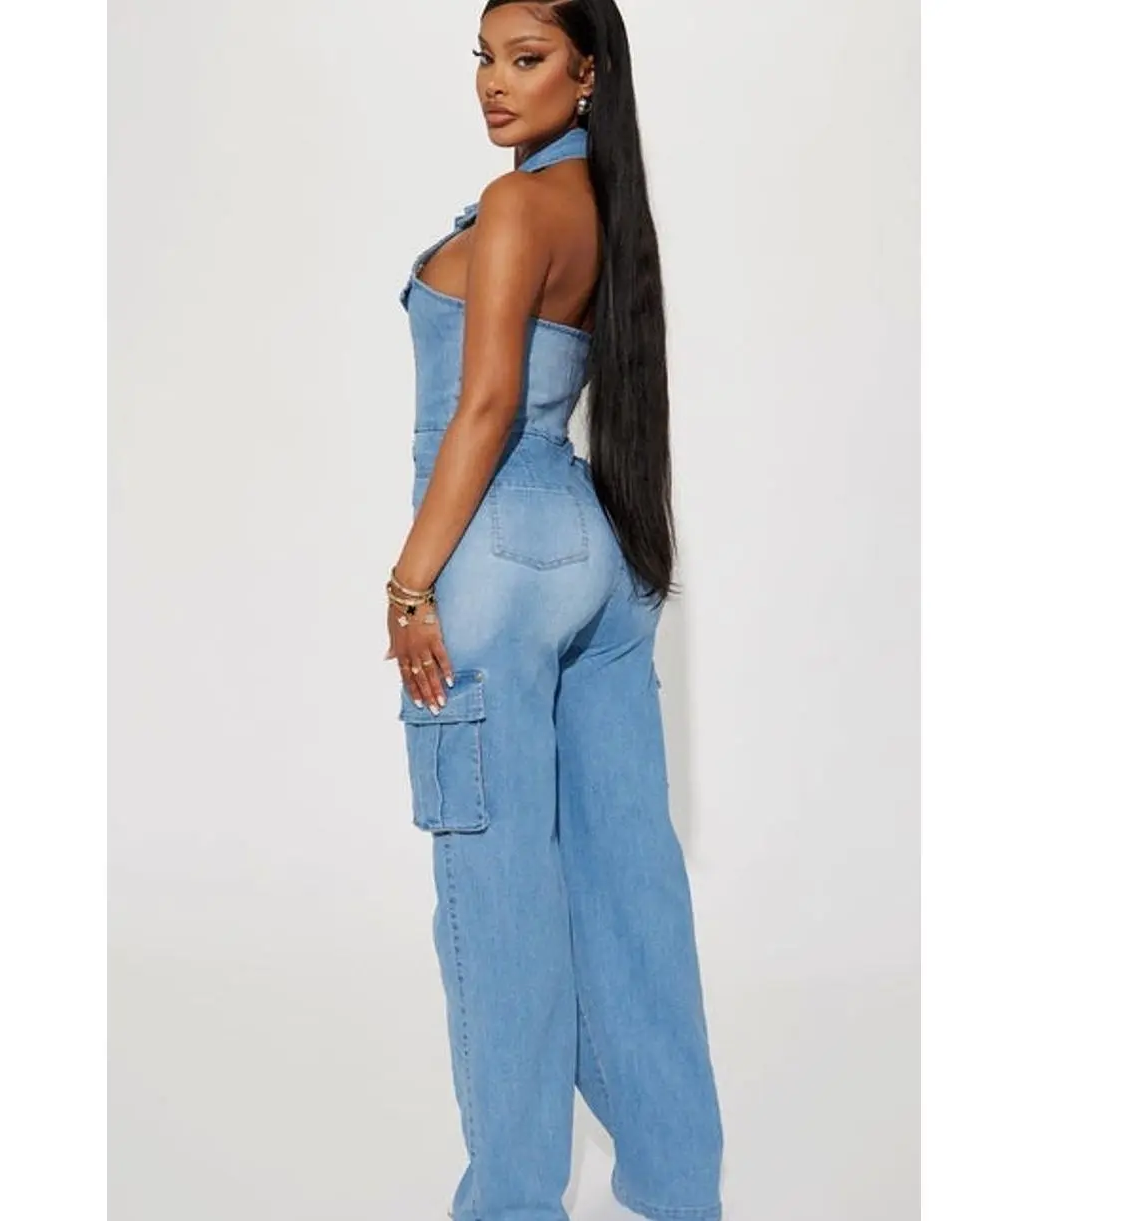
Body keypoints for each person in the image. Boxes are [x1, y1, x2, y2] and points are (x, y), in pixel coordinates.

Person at [385, 3, 724, 1219]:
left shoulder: (521, 202)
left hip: (494, 555)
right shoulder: (604, 203)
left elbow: (485, 409)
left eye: (525, 59)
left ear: (587, 73)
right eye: (484, 57)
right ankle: (681, 1192)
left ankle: (514, 1204)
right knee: (634, 891)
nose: (494, 81)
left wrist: (409, 583)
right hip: (597, 543)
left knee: (501, 904)